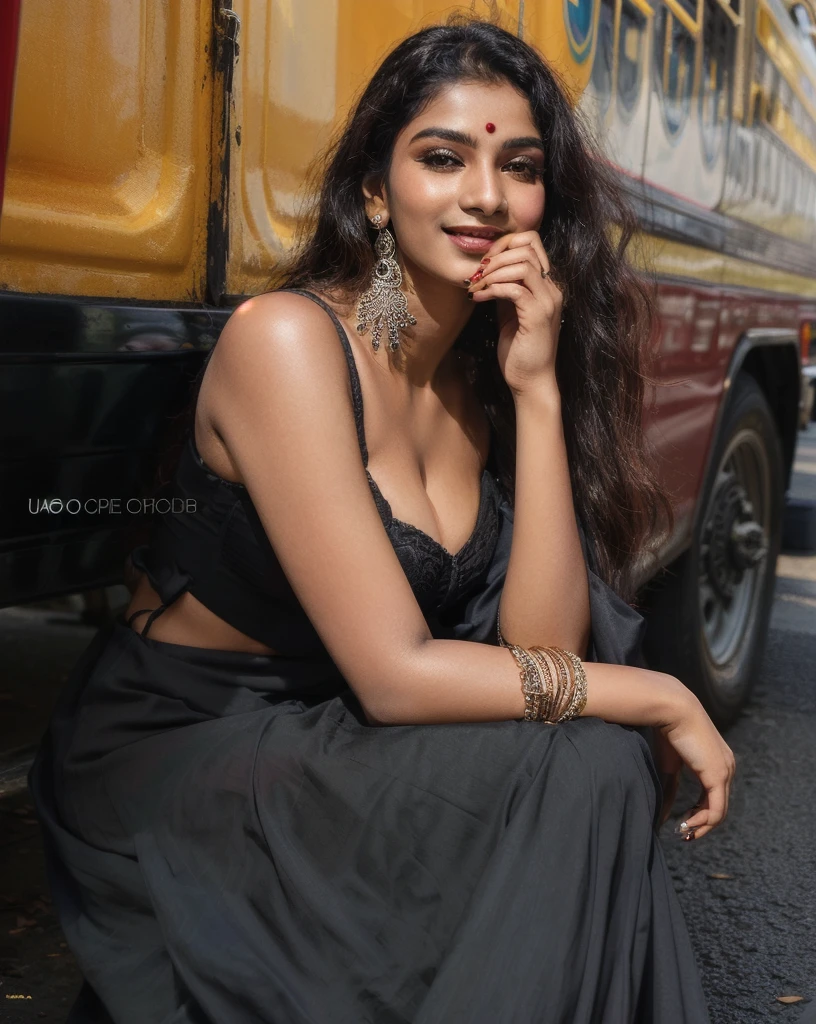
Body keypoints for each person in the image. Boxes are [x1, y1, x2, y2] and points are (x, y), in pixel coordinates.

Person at [29, 16, 735, 1023]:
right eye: (442, 158)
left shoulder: (480, 388)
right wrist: (661, 691)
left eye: (519, 166)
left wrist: (535, 394)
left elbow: (539, 648)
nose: (486, 195)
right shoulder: (287, 342)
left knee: (586, 756)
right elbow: (397, 675)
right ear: (374, 189)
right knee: (594, 759)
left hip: (330, 726)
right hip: (181, 746)